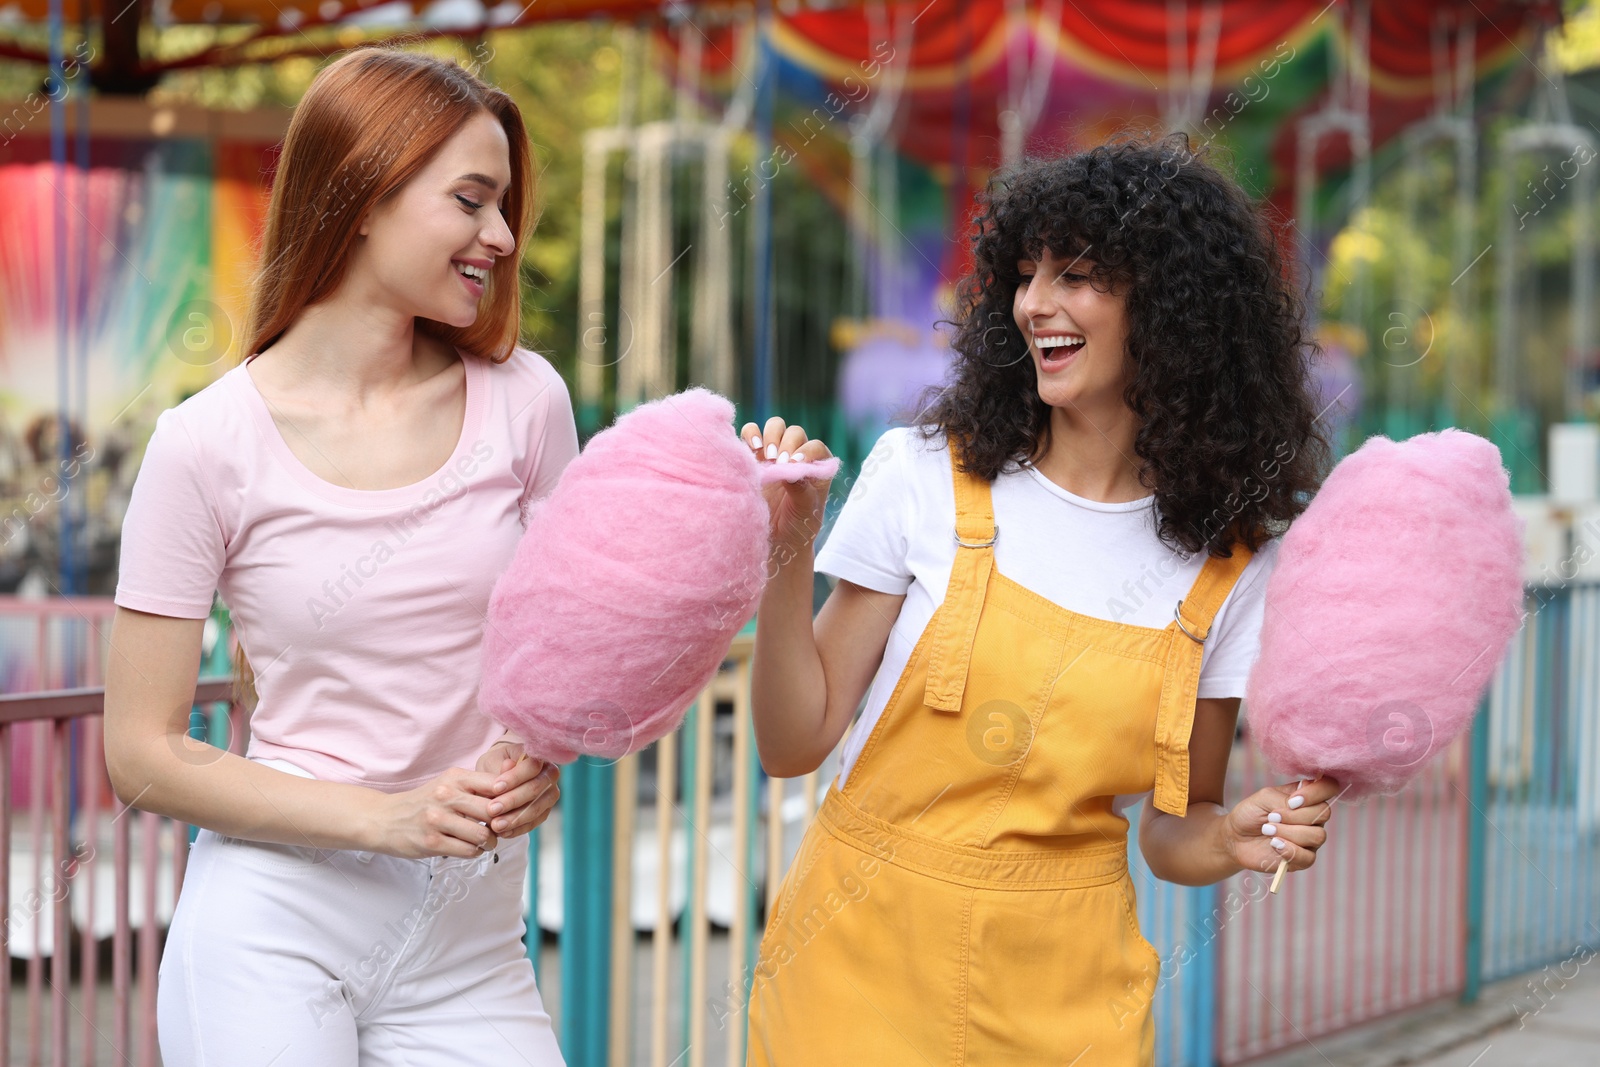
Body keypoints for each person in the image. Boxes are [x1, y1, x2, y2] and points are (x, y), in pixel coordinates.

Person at [739, 133, 1343, 1064]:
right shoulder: (921, 477)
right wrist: (786, 548)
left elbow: (1173, 830)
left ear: (1178, 308)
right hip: (853, 968)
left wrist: (1235, 833)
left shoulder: (1233, 566)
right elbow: (792, 741)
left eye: (1078, 274)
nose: (1035, 304)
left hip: (1071, 997)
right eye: (1027, 273)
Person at [103, 46, 571, 1066]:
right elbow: (141, 753)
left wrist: (550, 760)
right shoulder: (204, 443)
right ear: (363, 192)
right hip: (275, 928)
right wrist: (393, 816)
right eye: (471, 199)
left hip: (470, 944)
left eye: (503, 206)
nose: (500, 234)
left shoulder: (528, 400)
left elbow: (570, 648)